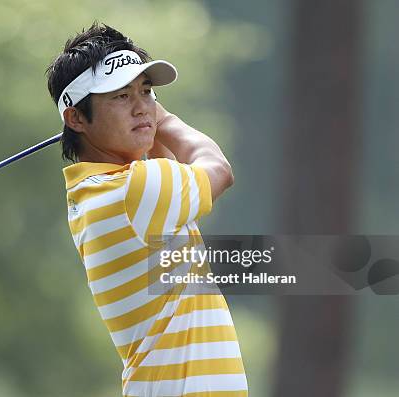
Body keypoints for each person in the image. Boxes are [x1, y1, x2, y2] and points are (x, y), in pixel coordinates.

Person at [46, 23, 248, 397]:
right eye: (121, 97)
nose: (142, 107)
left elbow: (166, 162)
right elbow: (217, 169)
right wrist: (164, 120)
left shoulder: (100, 191)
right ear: (75, 118)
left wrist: (146, 119)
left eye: (147, 92)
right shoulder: (131, 191)